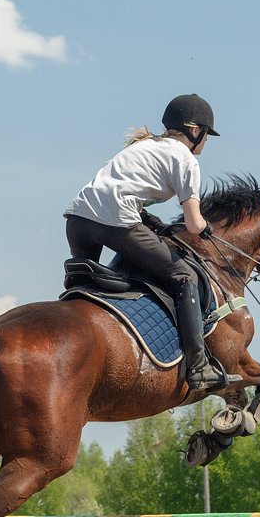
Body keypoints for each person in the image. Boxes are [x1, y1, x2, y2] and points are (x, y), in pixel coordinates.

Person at [63, 94, 224, 391]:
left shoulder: (144, 146)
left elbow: (119, 192)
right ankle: (199, 366)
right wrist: (206, 228)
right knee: (183, 276)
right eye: (206, 135)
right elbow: (193, 223)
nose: (205, 142)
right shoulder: (186, 159)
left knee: (85, 289)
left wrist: (152, 223)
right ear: (195, 130)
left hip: (78, 220)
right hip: (115, 224)